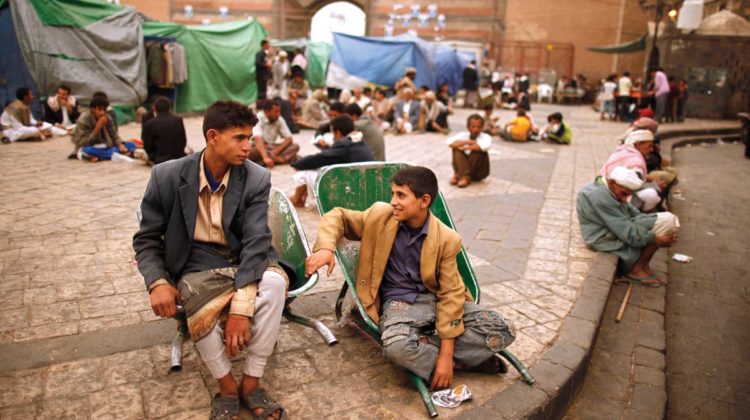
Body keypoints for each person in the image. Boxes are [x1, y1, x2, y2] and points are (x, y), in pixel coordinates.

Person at [133, 100, 288, 420]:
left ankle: (251, 382)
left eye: (249, 138)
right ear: (212, 137)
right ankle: (227, 386)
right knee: (194, 294)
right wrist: (157, 282)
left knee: (274, 284)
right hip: (195, 262)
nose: (247, 146)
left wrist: (242, 308)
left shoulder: (256, 177)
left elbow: (256, 240)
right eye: (239, 138)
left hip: (245, 256)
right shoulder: (167, 176)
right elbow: (146, 240)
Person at [305, 166, 516, 388]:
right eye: (393, 194)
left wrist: (446, 356)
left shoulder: (446, 238)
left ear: (424, 201)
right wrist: (325, 248)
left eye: (401, 195)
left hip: (435, 300)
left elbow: (451, 295)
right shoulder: (380, 216)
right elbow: (337, 216)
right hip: (400, 305)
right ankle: (466, 361)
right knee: (397, 347)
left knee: (504, 327)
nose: (393, 201)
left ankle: (431, 353)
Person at [577, 166, 679, 286]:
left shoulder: (609, 188)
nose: (624, 198)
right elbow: (625, 230)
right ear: (612, 183)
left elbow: (633, 212)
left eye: (627, 195)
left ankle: (643, 265)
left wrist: (651, 227)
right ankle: (636, 268)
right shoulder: (600, 196)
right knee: (667, 221)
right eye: (624, 193)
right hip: (602, 237)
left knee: (667, 220)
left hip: (614, 229)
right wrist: (655, 238)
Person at [289, 115, 374, 207]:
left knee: (305, 173)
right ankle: (300, 197)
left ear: (338, 132)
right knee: (319, 168)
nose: (333, 138)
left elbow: (319, 158)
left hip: (351, 194)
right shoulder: (359, 141)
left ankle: (296, 200)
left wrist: (297, 164)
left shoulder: (344, 144)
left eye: (333, 134)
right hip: (364, 189)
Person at [599, 129, 670, 213]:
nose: (651, 150)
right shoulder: (636, 161)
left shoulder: (622, 151)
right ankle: (637, 214)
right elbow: (630, 186)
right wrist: (655, 186)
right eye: (649, 146)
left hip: (604, 193)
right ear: (638, 144)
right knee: (652, 195)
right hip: (614, 197)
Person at [71, 94, 136, 161]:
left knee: (131, 145)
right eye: (99, 109)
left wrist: (120, 145)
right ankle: (112, 154)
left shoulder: (107, 118)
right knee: (88, 150)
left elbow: (114, 135)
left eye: (104, 110)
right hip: (90, 146)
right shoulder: (84, 119)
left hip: (106, 146)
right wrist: (98, 127)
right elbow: (83, 142)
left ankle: (105, 155)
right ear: (93, 109)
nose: (102, 112)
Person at [249, 100, 299, 168]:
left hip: (271, 147)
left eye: (279, 111)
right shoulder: (258, 118)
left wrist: (276, 151)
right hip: (258, 147)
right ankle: (280, 159)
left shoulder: (279, 119)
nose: (278, 114)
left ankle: (272, 160)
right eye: (276, 112)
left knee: (295, 146)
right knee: (251, 152)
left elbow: (289, 138)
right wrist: (265, 157)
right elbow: (258, 139)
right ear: (267, 111)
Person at [447, 114, 491, 188]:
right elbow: (449, 143)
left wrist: (464, 147)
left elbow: (483, 146)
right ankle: (462, 176)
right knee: (456, 149)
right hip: (466, 170)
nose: (476, 129)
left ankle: (461, 176)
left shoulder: (486, 137)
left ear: (482, 128)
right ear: (468, 127)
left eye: (478, 127)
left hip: (478, 172)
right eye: (473, 127)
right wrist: (467, 142)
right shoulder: (463, 135)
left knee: (478, 150)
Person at [140, 96, 187, 165]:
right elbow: (183, 140)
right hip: (178, 157)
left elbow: (147, 145)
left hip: (160, 159)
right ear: (169, 107)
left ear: (155, 108)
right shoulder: (178, 120)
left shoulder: (150, 123)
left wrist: (153, 156)